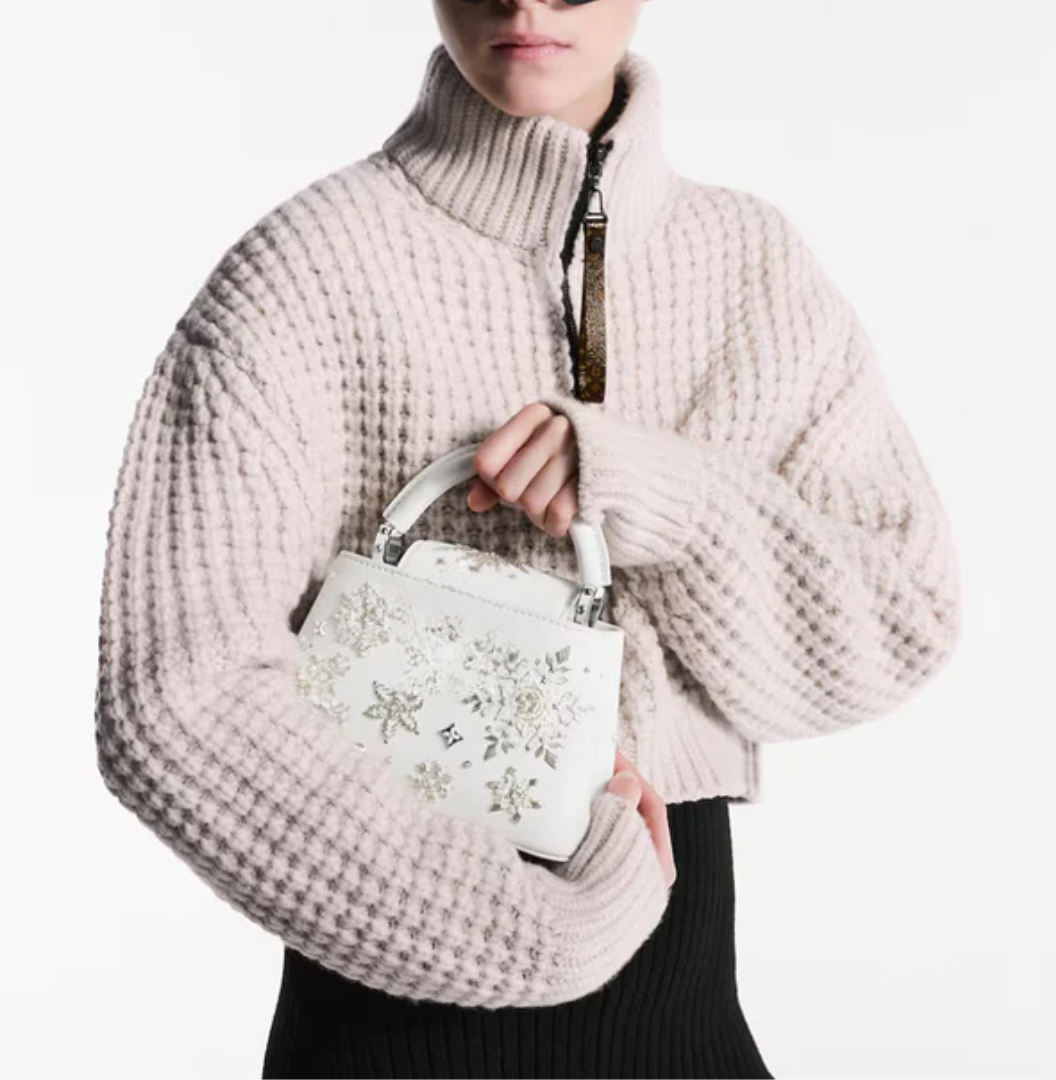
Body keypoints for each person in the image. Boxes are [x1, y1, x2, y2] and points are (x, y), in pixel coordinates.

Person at [93, 1, 963, 1077]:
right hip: (384, 1031)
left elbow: (901, 616)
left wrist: (664, 497)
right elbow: (175, 699)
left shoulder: (751, 269)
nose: (527, 0)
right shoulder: (303, 276)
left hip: (684, 1022)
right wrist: (546, 933)